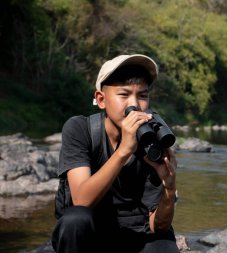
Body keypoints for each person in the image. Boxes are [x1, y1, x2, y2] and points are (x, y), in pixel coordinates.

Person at [51, 54, 180, 253]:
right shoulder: (80, 129)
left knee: (164, 245)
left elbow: (158, 226)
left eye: (143, 96)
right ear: (101, 100)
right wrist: (124, 151)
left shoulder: (151, 140)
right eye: (124, 94)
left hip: (138, 233)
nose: (134, 105)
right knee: (74, 220)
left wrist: (169, 190)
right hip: (92, 232)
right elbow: (81, 201)